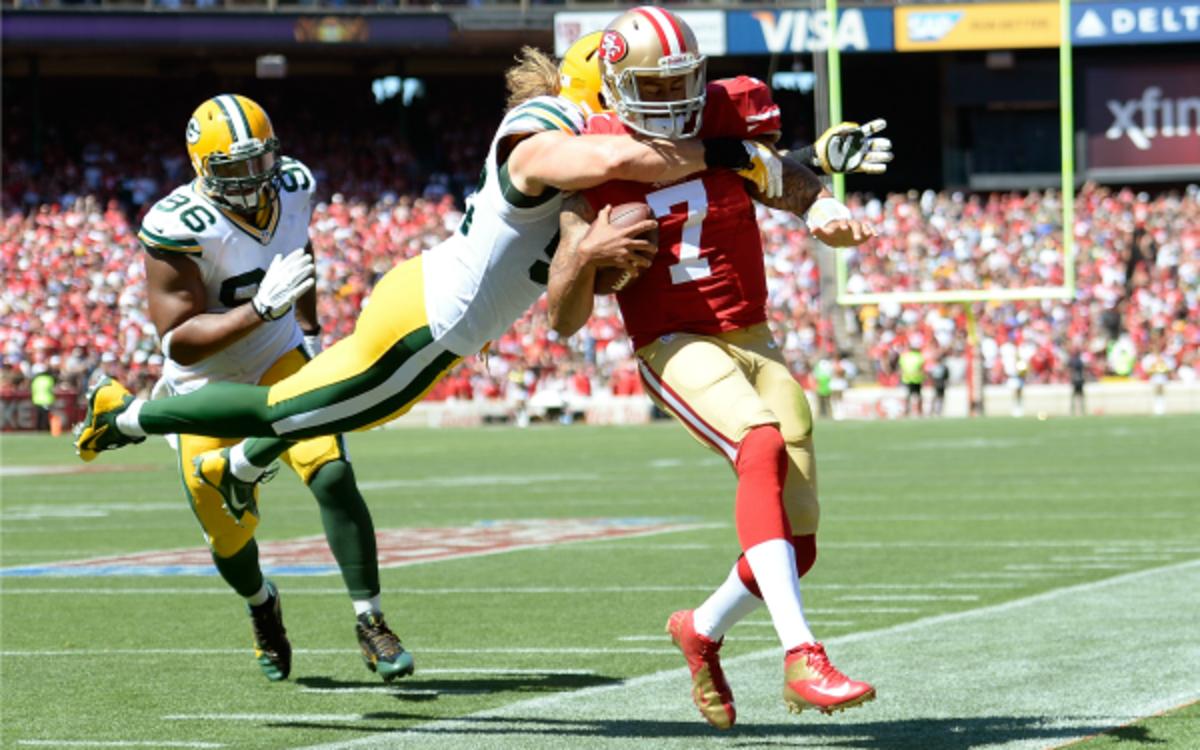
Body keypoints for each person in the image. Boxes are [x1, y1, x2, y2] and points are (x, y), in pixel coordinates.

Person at [73, 39, 781, 515]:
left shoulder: (593, 160)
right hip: (425, 323)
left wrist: (587, 259)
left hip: (432, 323)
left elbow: (568, 308)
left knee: (311, 412)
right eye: (633, 93)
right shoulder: (550, 131)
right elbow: (621, 161)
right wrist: (728, 148)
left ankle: (241, 471)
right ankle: (127, 415)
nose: (645, 111)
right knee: (276, 408)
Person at [546, 8, 880, 728]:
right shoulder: (588, 170)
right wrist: (582, 259)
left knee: (798, 543)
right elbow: (562, 319)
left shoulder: (727, 127)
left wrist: (819, 207)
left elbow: (778, 179)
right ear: (611, 89)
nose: (672, 102)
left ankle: (699, 630)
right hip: (672, 340)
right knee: (756, 444)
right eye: (651, 87)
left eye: (681, 83)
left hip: (754, 335)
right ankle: (802, 655)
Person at [135, 94, 411, 684]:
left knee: (332, 470)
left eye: (261, 163)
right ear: (202, 168)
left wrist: (306, 325)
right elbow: (178, 339)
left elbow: (299, 249)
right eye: (235, 170)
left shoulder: (293, 185)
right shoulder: (177, 224)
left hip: (278, 359)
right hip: (202, 384)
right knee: (228, 537)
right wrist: (261, 309)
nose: (254, 180)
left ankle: (371, 620)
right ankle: (263, 605)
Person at [899, 342, 924, 417]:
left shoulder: (904, 356)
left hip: (907, 378)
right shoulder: (919, 356)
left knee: (908, 395)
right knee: (918, 395)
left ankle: (906, 411)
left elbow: (901, 368)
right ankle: (919, 411)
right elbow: (921, 368)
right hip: (917, 378)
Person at [1068, 346, 1086, 416]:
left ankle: (1073, 410)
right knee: (1080, 395)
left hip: (1076, 380)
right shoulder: (1080, 361)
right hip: (1079, 380)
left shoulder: (1073, 360)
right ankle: (1081, 410)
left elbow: (1070, 370)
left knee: (1074, 395)